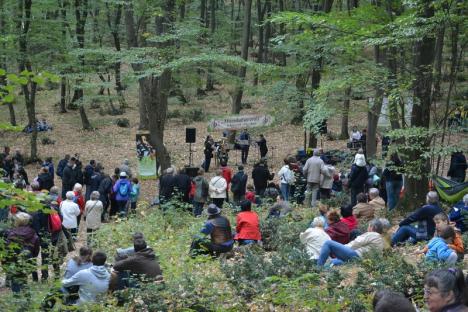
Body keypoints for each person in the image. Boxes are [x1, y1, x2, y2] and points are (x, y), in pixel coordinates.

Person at [318, 219, 385, 267]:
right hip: (363, 261)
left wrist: (342, 248)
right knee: (334, 262)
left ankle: (318, 268)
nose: (368, 228)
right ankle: (325, 268)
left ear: (372, 227)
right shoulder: (380, 239)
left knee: (328, 243)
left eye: (369, 226)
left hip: (356, 256)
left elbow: (356, 243)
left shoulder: (372, 234)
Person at [4, 212, 40, 293]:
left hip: (14, 261)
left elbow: (8, 250)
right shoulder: (33, 233)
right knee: (24, 280)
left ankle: (17, 298)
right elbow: (36, 250)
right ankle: (26, 301)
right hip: (28, 259)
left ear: (17, 221)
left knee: (15, 281)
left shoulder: (11, 233)